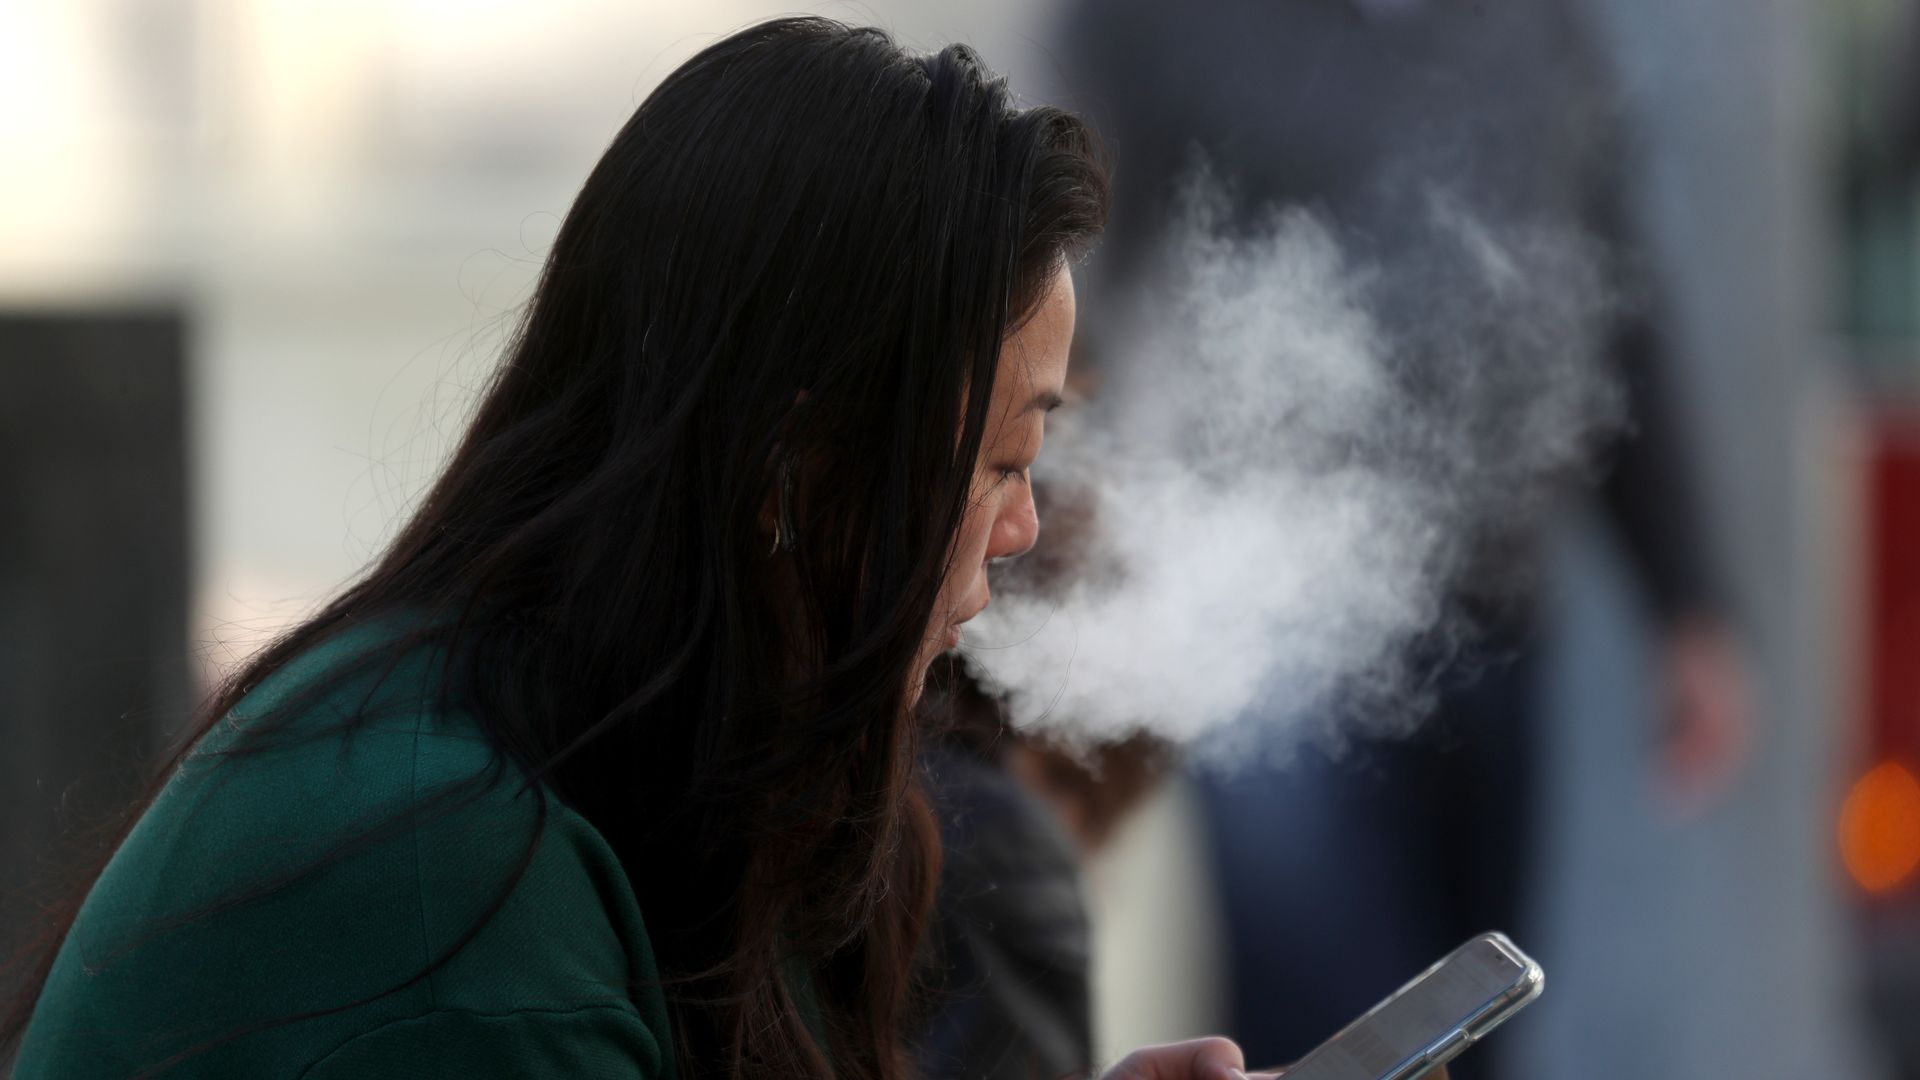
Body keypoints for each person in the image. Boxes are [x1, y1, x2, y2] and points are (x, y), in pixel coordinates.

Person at [0, 18, 1271, 1080]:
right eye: (1001, 463)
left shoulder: (614, 764)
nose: (1026, 527)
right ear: (793, 468)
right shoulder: (466, 906)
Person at [1052, 1, 1749, 1077]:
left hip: (1497, 620)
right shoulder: (1157, 19)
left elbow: (1615, 301)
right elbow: (1078, 285)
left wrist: (1689, 599)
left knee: (1470, 1020)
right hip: (1271, 646)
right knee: (1328, 1025)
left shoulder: (1542, 28)